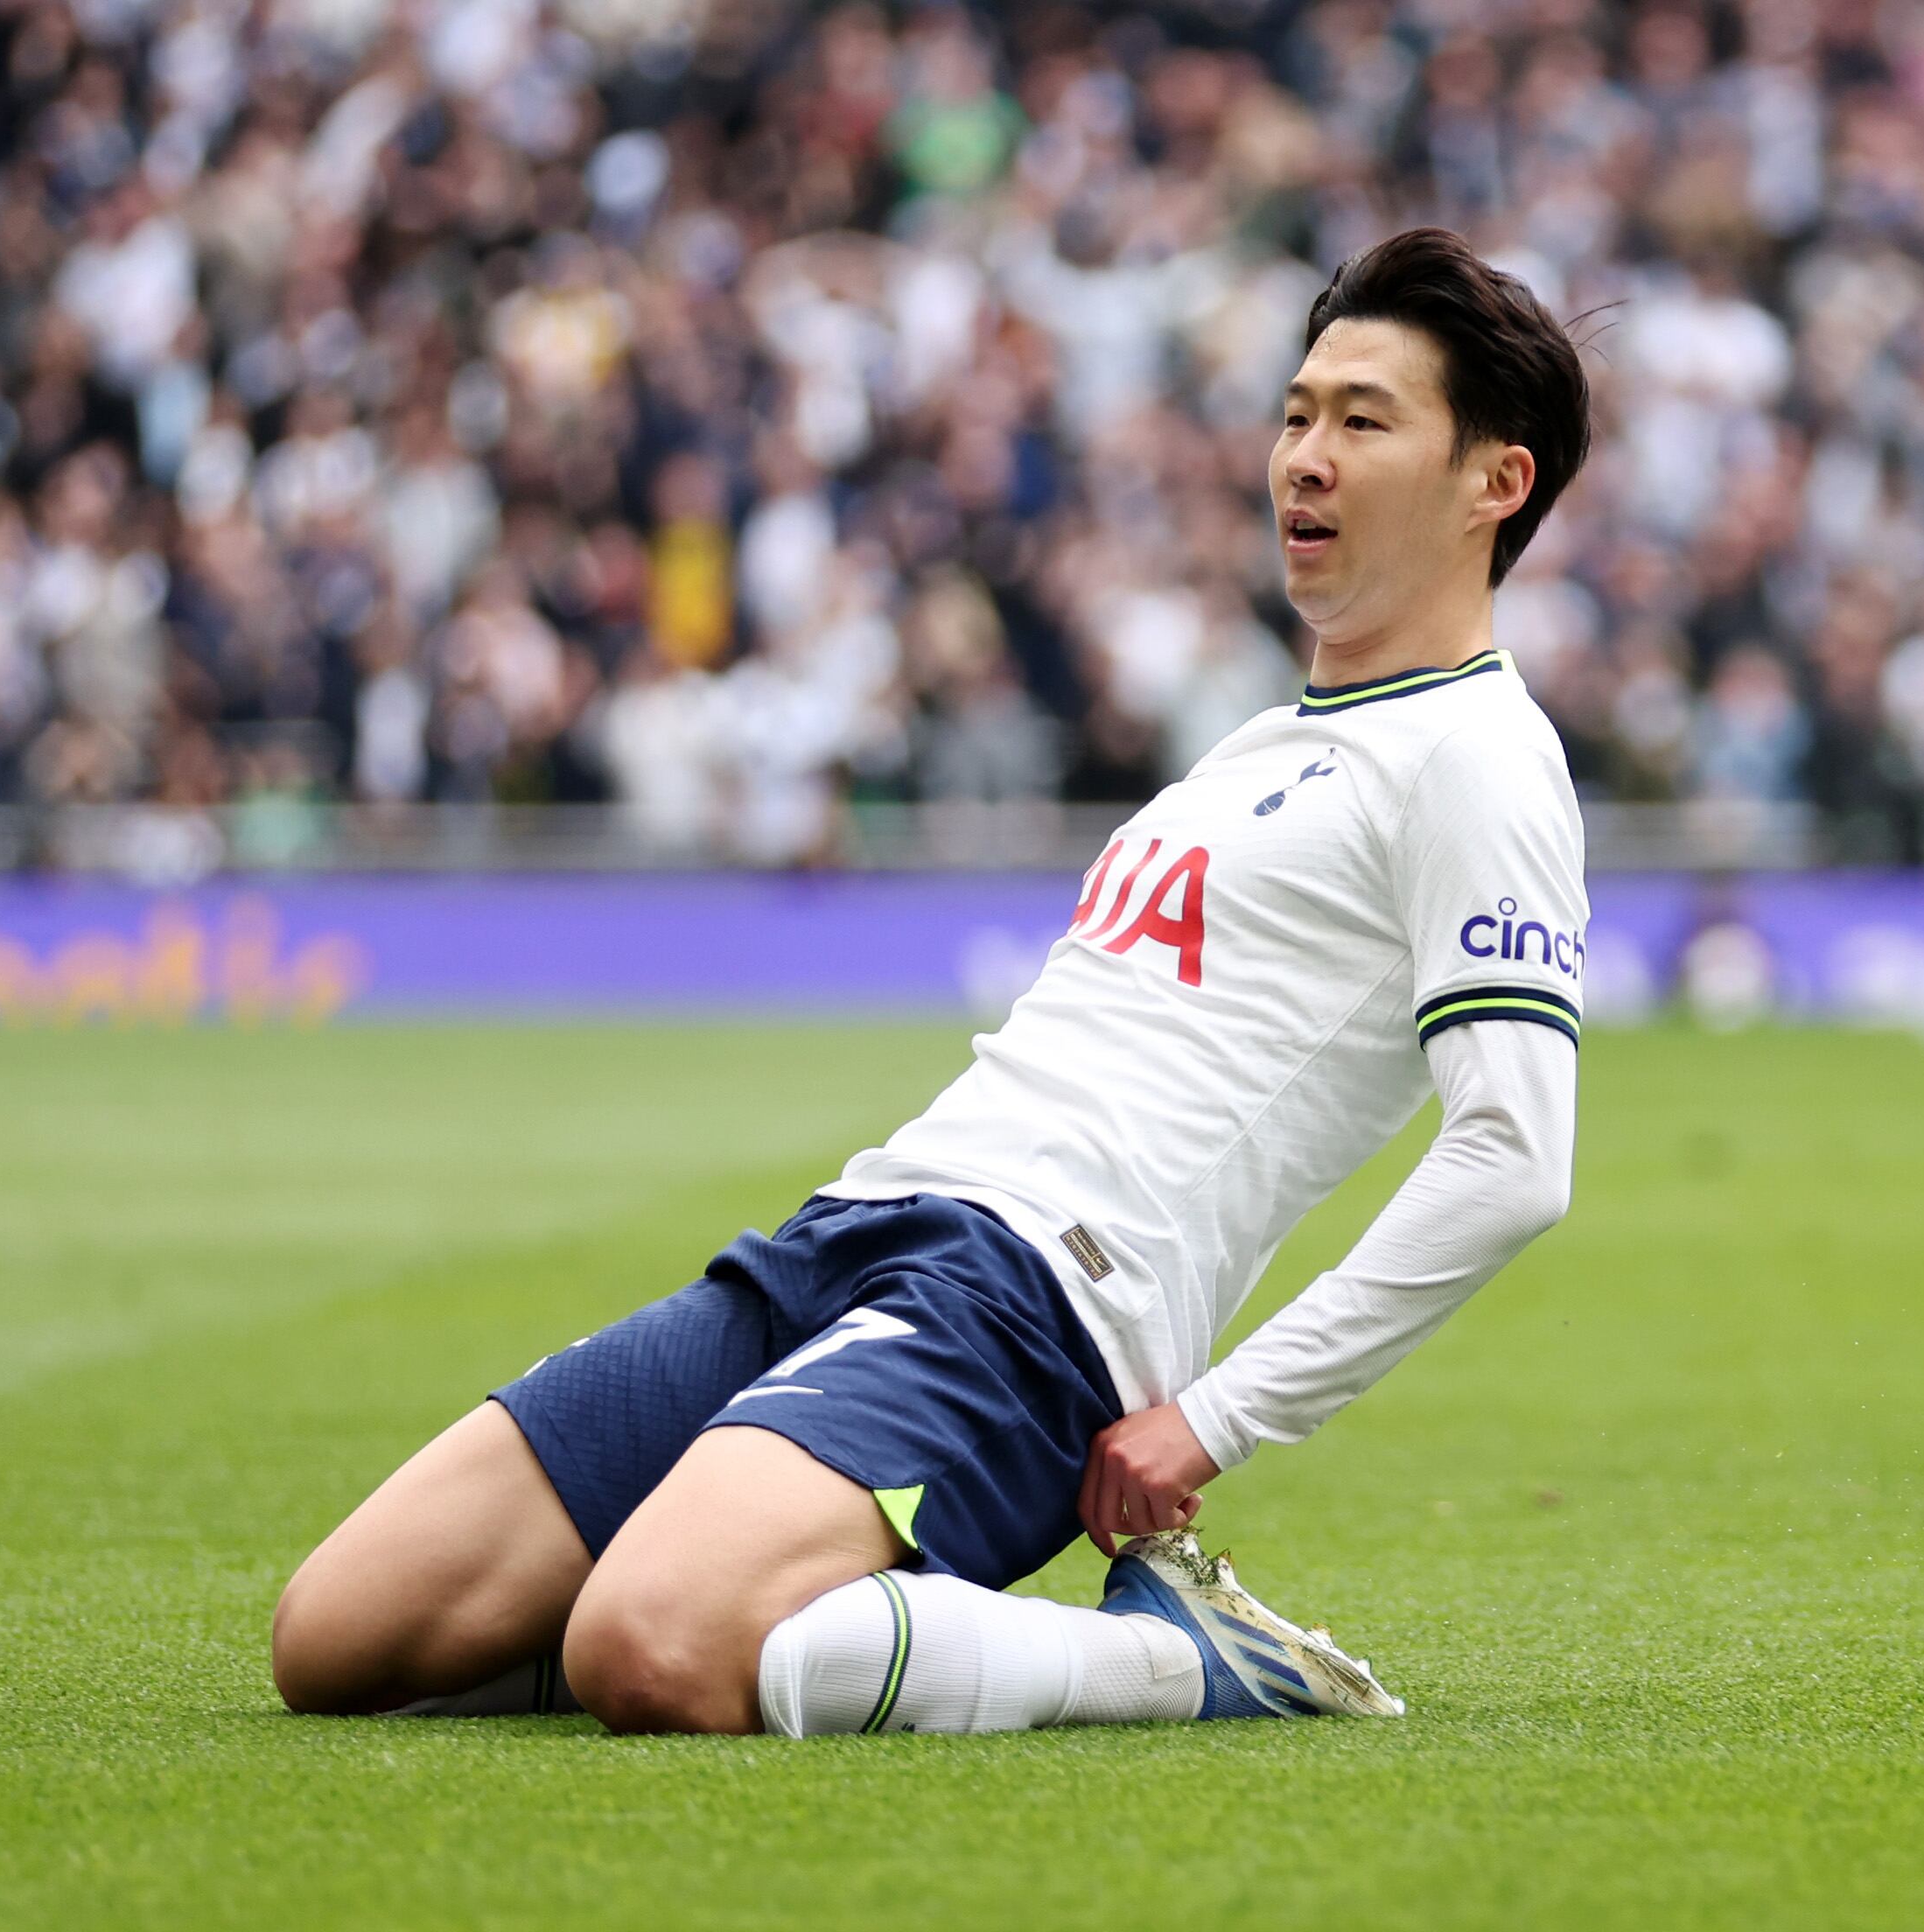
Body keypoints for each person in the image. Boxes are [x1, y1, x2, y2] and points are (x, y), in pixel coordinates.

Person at [271, 229, 1593, 1737]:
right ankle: (765, 1588)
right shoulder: (1256, 745)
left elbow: (1514, 1160)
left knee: (652, 1649)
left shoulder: (1481, 758)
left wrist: (1215, 1422)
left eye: (1365, 420)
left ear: (1498, 481)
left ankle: (1182, 1661)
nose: (1304, 455)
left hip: (1040, 1310)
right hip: (854, 1233)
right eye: (1296, 413)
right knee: (341, 1640)